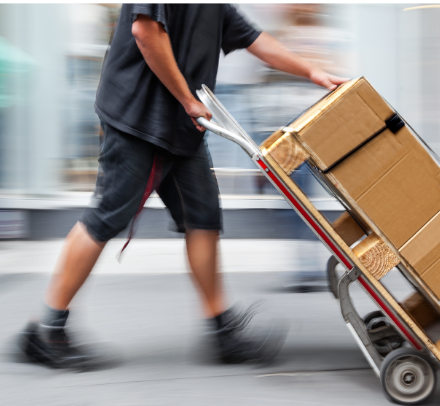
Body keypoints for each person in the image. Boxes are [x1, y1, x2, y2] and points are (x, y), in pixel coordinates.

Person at [18, 4, 346, 368]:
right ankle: (48, 330)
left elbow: (253, 38)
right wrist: (188, 99)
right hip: (138, 121)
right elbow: (145, 33)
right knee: (106, 217)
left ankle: (223, 332)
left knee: (203, 219)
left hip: (181, 127)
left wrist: (313, 72)